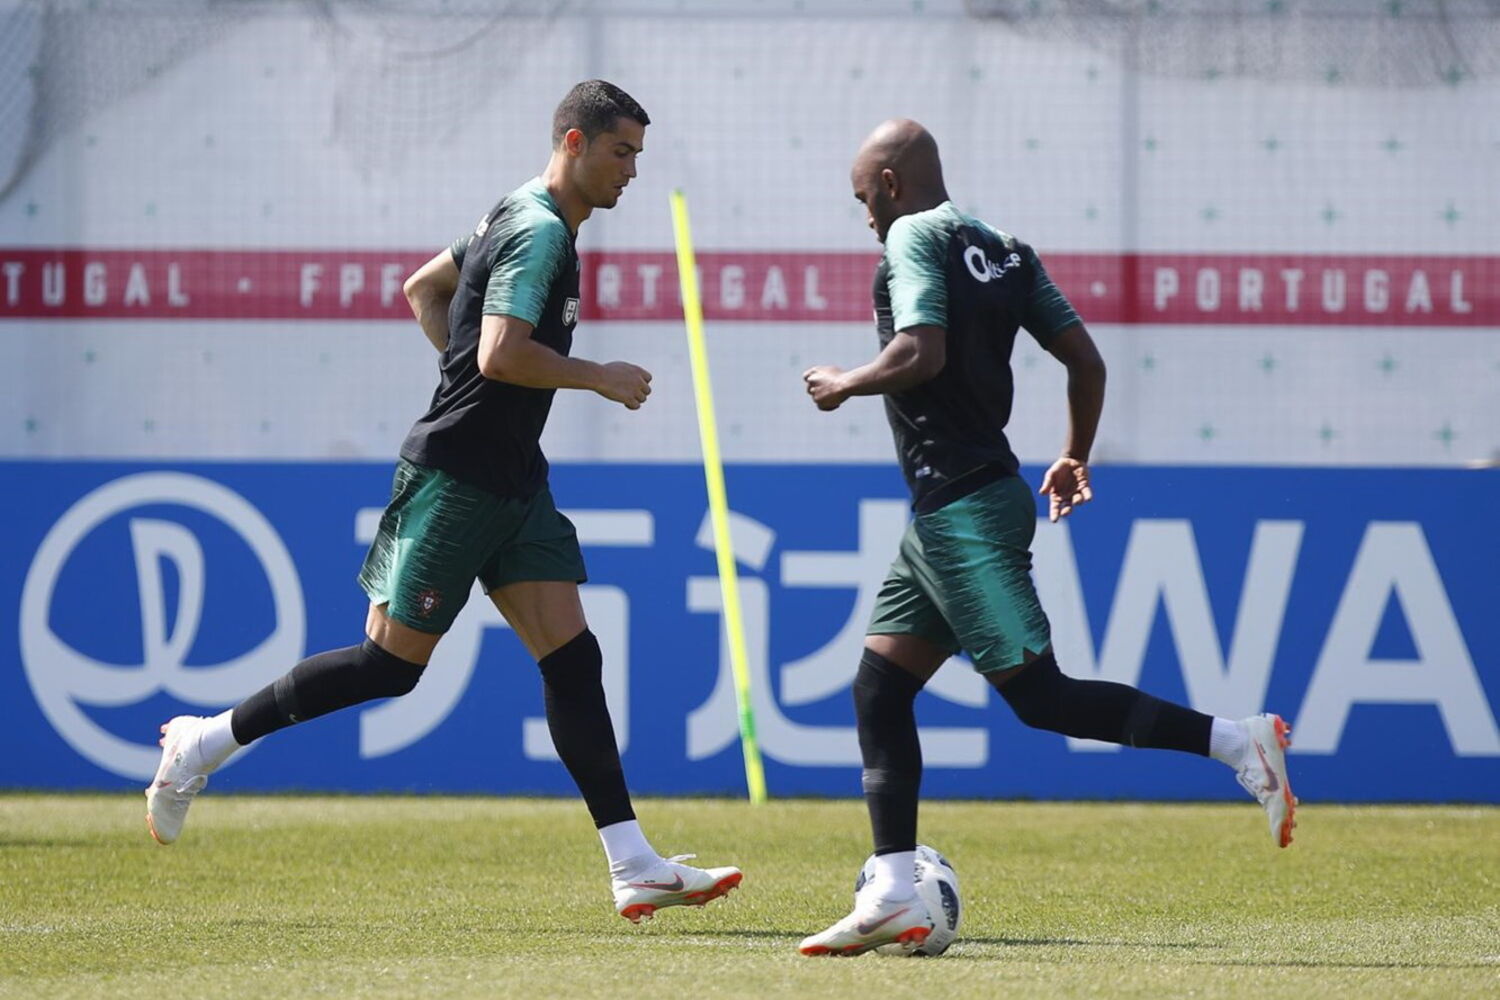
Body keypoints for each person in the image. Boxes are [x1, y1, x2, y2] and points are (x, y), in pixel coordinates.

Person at [144, 80, 742, 924]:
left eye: (638, 154)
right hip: (459, 478)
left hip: (513, 480)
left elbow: (423, 290)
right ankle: (202, 742)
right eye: (621, 152)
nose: (632, 171)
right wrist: (594, 376)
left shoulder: (516, 211)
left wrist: (468, 376)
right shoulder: (539, 231)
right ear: (574, 143)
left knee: (573, 660)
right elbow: (498, 354)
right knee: (389, 667)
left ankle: (633, 864)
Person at [796, 119, 1295, 957]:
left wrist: (848, 380)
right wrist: (1074, 453)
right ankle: (893, 891)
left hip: (965, 509)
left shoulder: (913, 236)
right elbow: (1086, 361)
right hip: (955, 507)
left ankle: (1238, 741)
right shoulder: (1006, 250)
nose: (867, 221)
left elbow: (920, 352)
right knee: (879, 689)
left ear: (888, 183)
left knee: (1042, 698)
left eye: (862, 200)